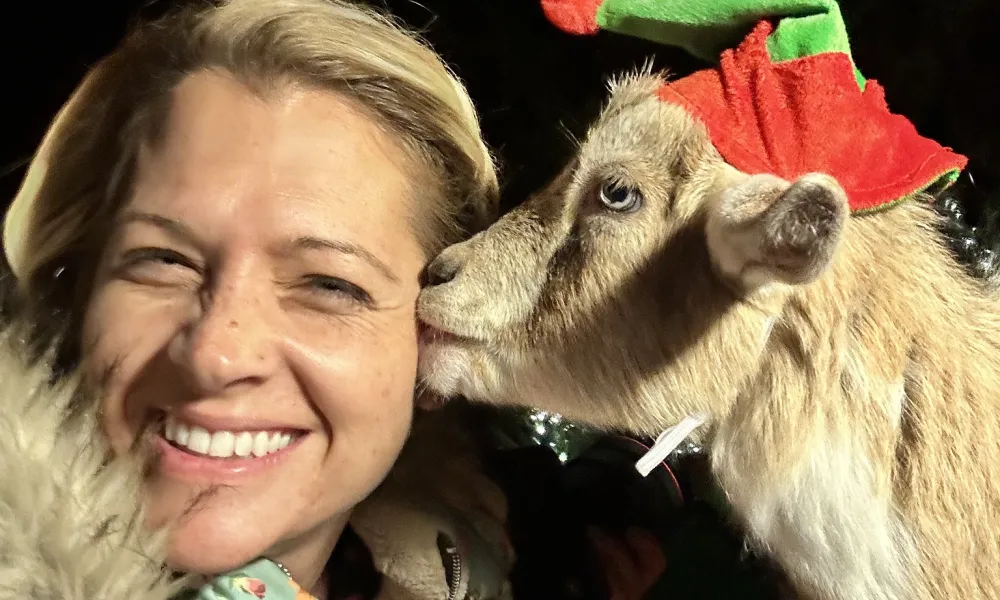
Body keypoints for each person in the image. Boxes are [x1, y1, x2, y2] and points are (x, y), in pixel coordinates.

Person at [0, 1, 667, 598]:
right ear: (80, 292)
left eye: (328, 285)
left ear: (438, 349)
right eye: (164, 261)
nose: (217, 353)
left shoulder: (463, 563)